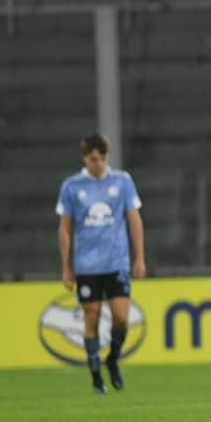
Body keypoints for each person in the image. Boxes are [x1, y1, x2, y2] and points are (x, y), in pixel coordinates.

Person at [55, 133, 146, 395]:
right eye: (93, 159)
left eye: (103, 158)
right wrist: (66, 267)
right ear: (85, 158)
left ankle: (113, 359)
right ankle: (96, 377)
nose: (98, 163)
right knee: (91, 317)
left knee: (121, 318)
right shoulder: (72, 186)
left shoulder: (122, 181)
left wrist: (139, 257)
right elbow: (65, 229)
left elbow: (134, 219)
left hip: (116, 262)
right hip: (86, 266)